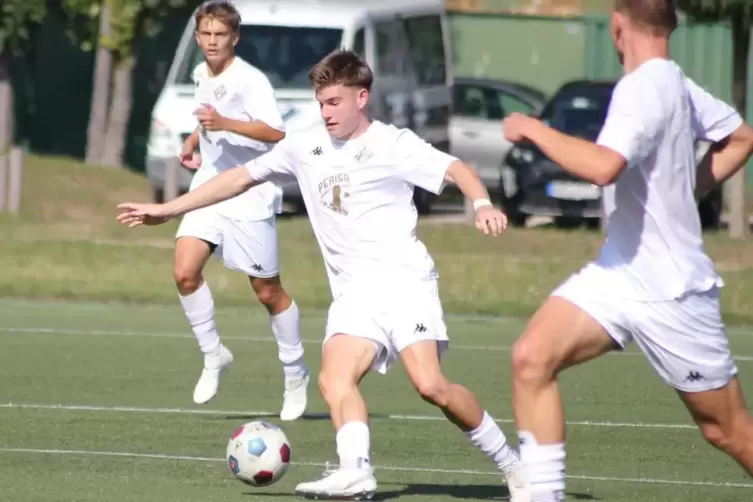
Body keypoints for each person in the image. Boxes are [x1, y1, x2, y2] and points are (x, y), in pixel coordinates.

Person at [117, 49, 532, 501]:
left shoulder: (393, 144)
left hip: (404, 283)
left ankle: (514, 466)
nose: (325, 112)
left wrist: (483, 203)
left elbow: (457, 169)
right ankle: (356, 472)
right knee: (334, 380)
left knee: (431, 386)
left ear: (361, 97)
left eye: (334, 102)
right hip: (354, 294)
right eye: (320, 103)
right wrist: (167, 209)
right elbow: (239, 178)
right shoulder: (304, 145)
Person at [502, 1, 753, 499]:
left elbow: (603, 166)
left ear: (618, 27)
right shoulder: (674, 80)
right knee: (531, 359)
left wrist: (532, 128)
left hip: (672, 290)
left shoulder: (643, 88)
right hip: (620, 271)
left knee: (726, 430)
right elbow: (740, 136)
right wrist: (688, 189)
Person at [169, 1, 308, 419]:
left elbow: (276, 131)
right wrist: (194, 141)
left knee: (267, 292)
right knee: (184, 272)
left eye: (220, 35)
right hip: (210, 188)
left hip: (250, 194)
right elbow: (207, 116)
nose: (212, 42)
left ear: (235, 38)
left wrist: (225, 124)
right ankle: (214, 355)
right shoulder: (199, 73)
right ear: (197, 38)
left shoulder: (251, 80)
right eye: (206, 35)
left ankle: (294, 372)